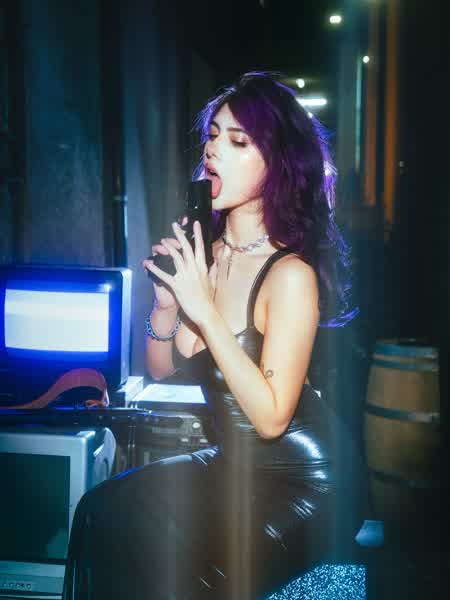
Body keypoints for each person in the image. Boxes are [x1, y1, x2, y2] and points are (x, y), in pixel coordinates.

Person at [63, 72, 368, 600]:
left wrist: (203, 309)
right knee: (102, 511)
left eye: (238, 141)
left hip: (309, 480)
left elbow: (271, 418)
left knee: (191, 580)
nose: (212, 150)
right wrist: (165, 309)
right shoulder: (206, 251)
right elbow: (163, 368)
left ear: (277, 165)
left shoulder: (289, 275)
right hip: (232, 463)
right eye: (212, 136)